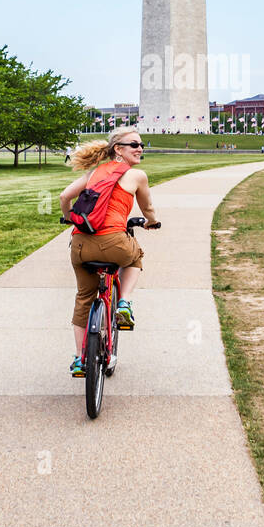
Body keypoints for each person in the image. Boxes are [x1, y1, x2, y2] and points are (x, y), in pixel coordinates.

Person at [60, 127, 160, 377]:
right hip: (114, 241)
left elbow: (64, 196)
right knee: (135, 256)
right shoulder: (136, 175)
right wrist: (151, 221)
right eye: (134, 144)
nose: (140, 149)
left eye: (141, 145)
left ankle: (80, 359)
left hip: (81, 244)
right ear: (118, 149)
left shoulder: (94, 173)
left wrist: (70, 219)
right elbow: (147, 207)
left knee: (84, 297)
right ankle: (124, 303)